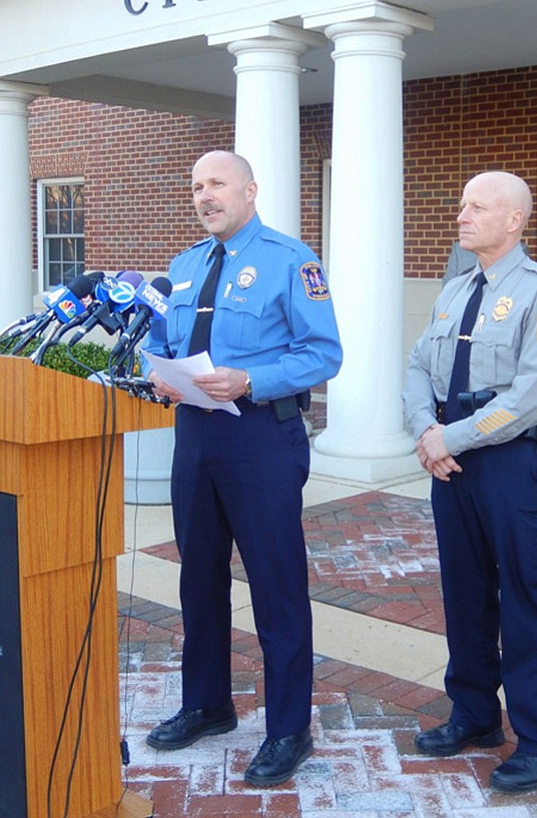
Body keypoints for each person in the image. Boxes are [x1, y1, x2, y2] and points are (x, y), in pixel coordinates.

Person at [142, 150, 342, 786]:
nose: (204, 196)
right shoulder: (183, 266)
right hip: (195, 435)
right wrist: (155, 369)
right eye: (196, 185)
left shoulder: (291, 261)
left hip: (261, 437)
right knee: (198, 577)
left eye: (217, 184)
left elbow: (324, 353)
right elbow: (159, 343)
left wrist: (251, 377)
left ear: (249, 190)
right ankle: (208, 703)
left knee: (276, 583)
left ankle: (288, 728)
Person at [403, 171, 537, 794]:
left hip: (509, 466)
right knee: (465, 593)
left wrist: (451, 437)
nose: (461, 214)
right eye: (460, 205)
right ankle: (475, 716)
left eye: (477, 206)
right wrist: (428, 429)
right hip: (451, 461)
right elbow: (418, 364)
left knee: (526, 602)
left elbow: (533, 395)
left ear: (514, 220)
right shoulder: (454, 291)